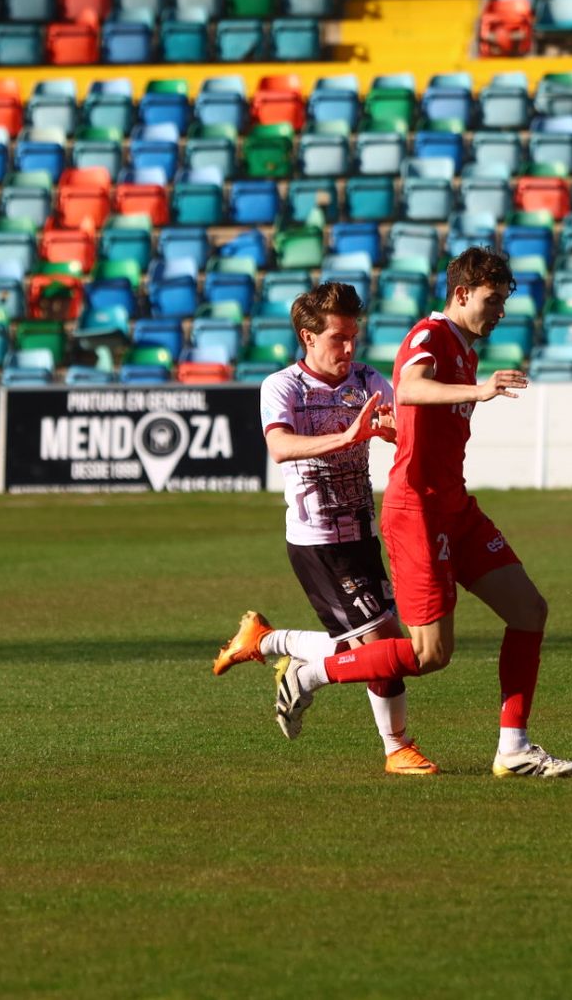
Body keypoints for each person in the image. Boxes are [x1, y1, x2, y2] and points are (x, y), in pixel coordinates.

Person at [267, 247, 572, 778]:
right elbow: (410, 386)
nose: (499, 310)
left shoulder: (463, 347)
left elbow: (403, 407)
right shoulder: (429, 336)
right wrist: (479, 391)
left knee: (530, 611)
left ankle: (514, 748)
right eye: (492, 299)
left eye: (503, 299)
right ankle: (311, 674)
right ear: (461, 294)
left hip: (455, 505)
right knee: (430, 654)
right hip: (418, 511)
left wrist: (393, 425)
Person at [211, 281, 439, 777]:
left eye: (354, 335)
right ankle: (395, 747)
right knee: (384, 650)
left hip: (362, 533)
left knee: (364, 649)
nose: (350, 347)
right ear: (308, 337)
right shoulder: (282, 386)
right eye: (339, 337)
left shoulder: (369, 380)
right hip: (318, 543)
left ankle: (266, 642)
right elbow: (281, 448)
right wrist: (350, 435)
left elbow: (411, 434)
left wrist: (393, 430)